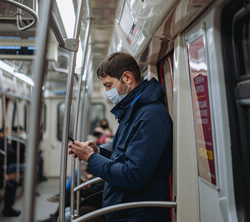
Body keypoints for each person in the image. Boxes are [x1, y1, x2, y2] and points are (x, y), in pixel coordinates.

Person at [68, 52, 173, 222]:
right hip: (124, 208)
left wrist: (91, 158)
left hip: (138, 213)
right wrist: (98, 152)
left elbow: (132, 175)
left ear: (127, 78)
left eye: (108, 85)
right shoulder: (132, 112)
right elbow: (122, 158)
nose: (107, 92)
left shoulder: (150, 117)